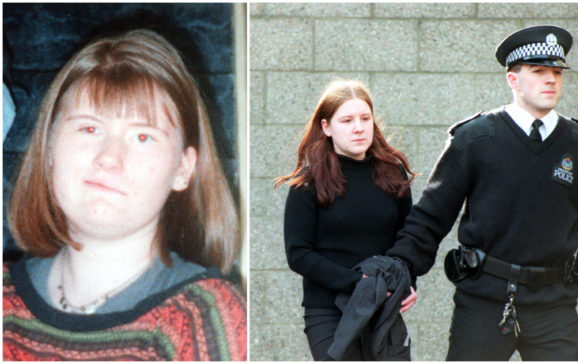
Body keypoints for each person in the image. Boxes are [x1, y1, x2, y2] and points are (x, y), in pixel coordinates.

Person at [3, 29, 246, 361]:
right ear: (48, 149)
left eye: (143, 137)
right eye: (90, 129)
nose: (109, 158)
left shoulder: (204, 317)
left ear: (183, 169)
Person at [386, 25, 578, 360]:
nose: (550, 80)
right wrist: (400, 269)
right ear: (513, 80)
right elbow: (430, 217)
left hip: (555, 306)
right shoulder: (475, 139)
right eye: (538, 71)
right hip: (484, 302)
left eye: (556, 72)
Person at [275, 80, 418, 360]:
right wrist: (356, 282)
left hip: (381, 307)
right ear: (327, 127)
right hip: (328, 311)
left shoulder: (392, 173)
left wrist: (408, 280)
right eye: (347, 120)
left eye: (365, 119)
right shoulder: (308, 182)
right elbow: (298, 254)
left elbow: (408, 237)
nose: (358, 127)